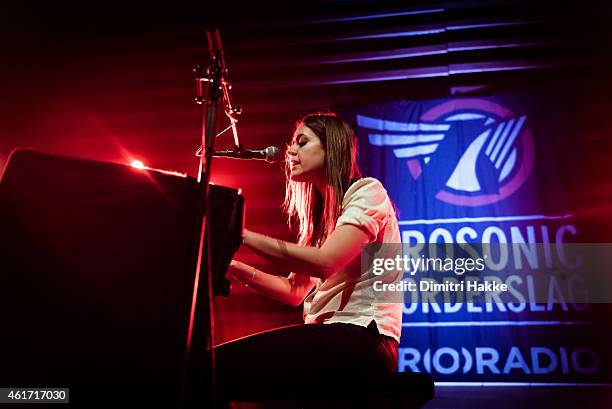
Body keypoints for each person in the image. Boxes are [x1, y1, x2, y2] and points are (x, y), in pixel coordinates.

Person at [215, 112, 403, 402]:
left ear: (333, 147)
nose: (290, 151)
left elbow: (326, 261)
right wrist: (233, 267)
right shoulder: (318, 220)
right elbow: (294, 292)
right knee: (212, 371)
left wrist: (239, 234)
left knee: (214, 369)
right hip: (331, 337)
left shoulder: (368, 191)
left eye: (302, 142)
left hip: (364, 338)